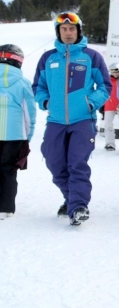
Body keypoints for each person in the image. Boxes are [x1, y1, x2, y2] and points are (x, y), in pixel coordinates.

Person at [32, 12, 111, 226]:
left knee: (77, 163)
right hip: (55, 121)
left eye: (72, 29)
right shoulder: (48, 58)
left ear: (78, 31)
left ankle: (78, 207)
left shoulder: (91, 56)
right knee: (54, 162)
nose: (68, 33)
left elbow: (105, 86)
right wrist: (46, 102)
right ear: (58, 32)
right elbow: (38, 86)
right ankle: (71, 199)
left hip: (83, 120)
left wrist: (90, 103)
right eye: (64, 29)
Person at [0, 45, 36, 219]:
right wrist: (27, 136)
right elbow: (29, 113)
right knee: (8, 169)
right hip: (14, 134)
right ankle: (5, 208)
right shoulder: (23, 83)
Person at [102, 63, 119, 151]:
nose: (115, 73)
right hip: (109, 105)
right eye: (113, 71)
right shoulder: (107, 80)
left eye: (117, 71)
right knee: (108, 125)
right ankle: (110, 144)